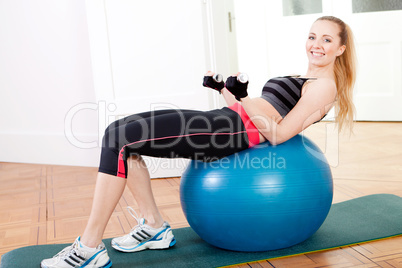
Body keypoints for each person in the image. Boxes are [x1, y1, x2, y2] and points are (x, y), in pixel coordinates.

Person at [41, 15, 356, 268]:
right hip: (224, 121)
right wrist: (224, 90)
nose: (316, 44)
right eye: (313, 36)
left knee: (120, 137)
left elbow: (278, 133)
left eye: (327, 39)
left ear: (340, 49)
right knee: (119, 134)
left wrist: (243, 97)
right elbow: (263, 110)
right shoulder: (303, 78)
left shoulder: (325, 87)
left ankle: (90, 247)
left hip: (230, 133)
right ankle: (154, 227)